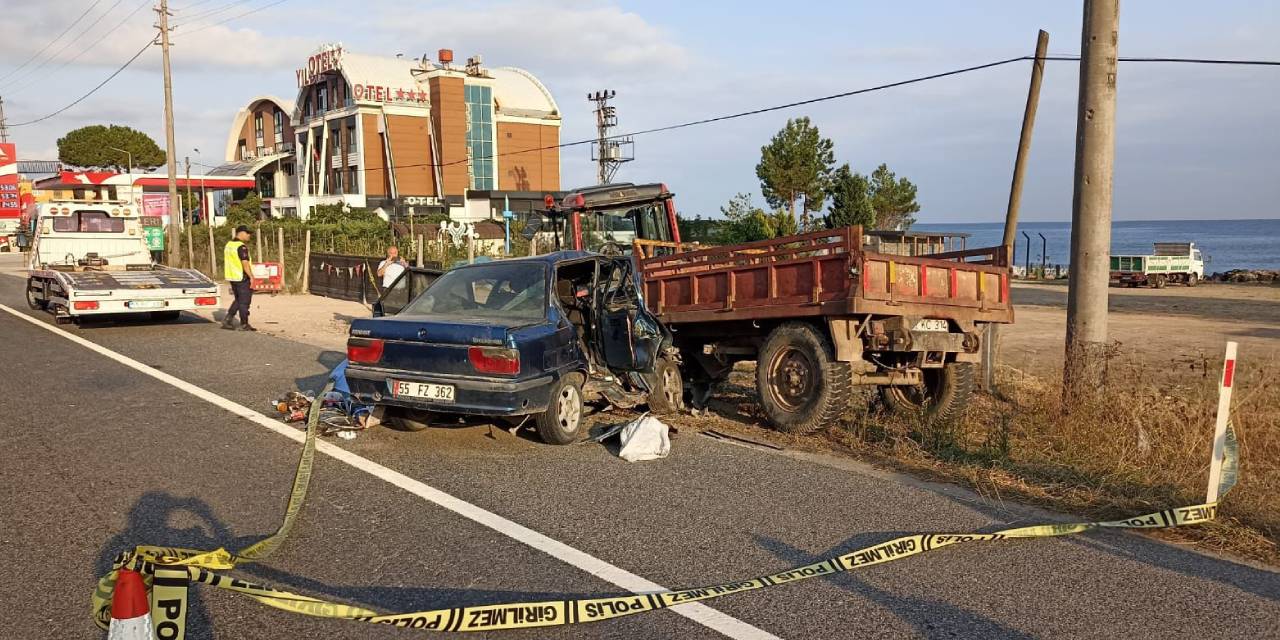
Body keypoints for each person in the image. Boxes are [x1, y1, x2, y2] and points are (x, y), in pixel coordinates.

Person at [221, 225, 256, 331]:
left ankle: (227, 320)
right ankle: (244, 324)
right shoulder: (241, 247)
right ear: (241, 233)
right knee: (244, 302)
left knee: (238, 299)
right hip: (242, 277)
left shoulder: (229, 245)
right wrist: (251, 276)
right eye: (247, 233)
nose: (249, 235)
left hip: (232, 276)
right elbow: (244, 263)